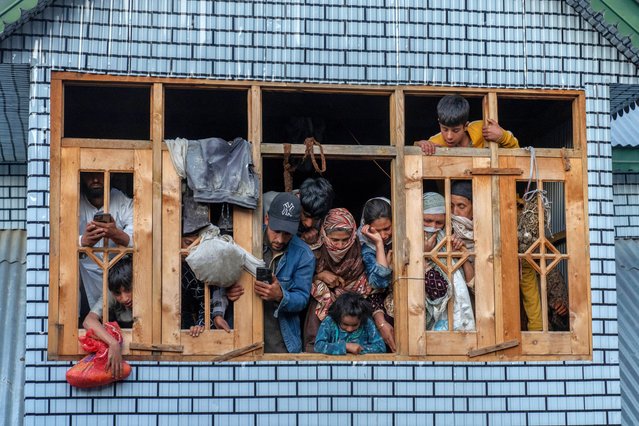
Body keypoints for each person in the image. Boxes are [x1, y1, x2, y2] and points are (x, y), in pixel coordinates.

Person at [304, 208, 377, 352]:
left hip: (357, 302)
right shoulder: (314, 250)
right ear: (324, 235)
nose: (340, 245)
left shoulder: (362, 248)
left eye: (345, 240)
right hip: (324, 300)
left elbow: (376, 279)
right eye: (335, 240)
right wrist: (319, 276)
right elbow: (301, 281)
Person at [255, 192, 316, 353]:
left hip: (280, 341)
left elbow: (302, 298)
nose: (280, 239)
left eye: (287, 233)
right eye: (276, 231)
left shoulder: (304, 255)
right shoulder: (248, 239)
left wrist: (280, 296)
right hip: (244, 334)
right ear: (267, 219)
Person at [79, 172, 133, 318]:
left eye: (101, 174)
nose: (95, 179)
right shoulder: (74, 203)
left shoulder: (121, 201)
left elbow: (139, 238)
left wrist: (116, 233)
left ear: (111, 176)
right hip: (85, 276)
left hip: (119, 274)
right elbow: (59, 239)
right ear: (82, 176)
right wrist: (82, 242)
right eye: (90, 174)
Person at [422, 192, 475, 331]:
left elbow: (473, 284)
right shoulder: (410, 240)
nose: (433, 226)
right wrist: (423, 254)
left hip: (455, 316)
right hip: (422, 317)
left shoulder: (449, 240)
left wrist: (461, 254)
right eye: (427, 220)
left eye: (439, 222)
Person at [415, 94, 519, 155]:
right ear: (439, 122)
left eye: (455, 130)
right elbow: (414, 150)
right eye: (445, 129)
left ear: (465, 126)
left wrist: (502, 136)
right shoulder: (436, 141)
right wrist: (421, 144)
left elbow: (517, 150)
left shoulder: (482, 129)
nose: (449, 136)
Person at [82, 256, 133, 379]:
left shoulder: (148, 292)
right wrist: (113, 343)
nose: (124, 298)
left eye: (128, 290)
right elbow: (88, 321)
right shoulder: (111, 294)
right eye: (118, 294)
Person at [357, 197, 396, 352]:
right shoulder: (367, 248)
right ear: (366, 228)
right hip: (377, 311)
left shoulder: (402, 240)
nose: (383, 235)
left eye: (387, 228)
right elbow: (379, 283)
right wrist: (379, 245)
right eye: (376, 230)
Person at [263, 177, 335, 248]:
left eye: (316, 218)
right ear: (298, 197)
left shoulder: (325, 221)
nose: (309, 224)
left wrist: (311, 245)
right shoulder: (267, 203)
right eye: (305, 215)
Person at [314, 292, 386, 355]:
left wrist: (359, 348)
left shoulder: (366, 322)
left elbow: (381, 347)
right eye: (345, 324)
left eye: (355, 325)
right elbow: (318, 346)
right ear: (338, 318)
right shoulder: (330, 321)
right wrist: (345, 347)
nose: (349, 329)